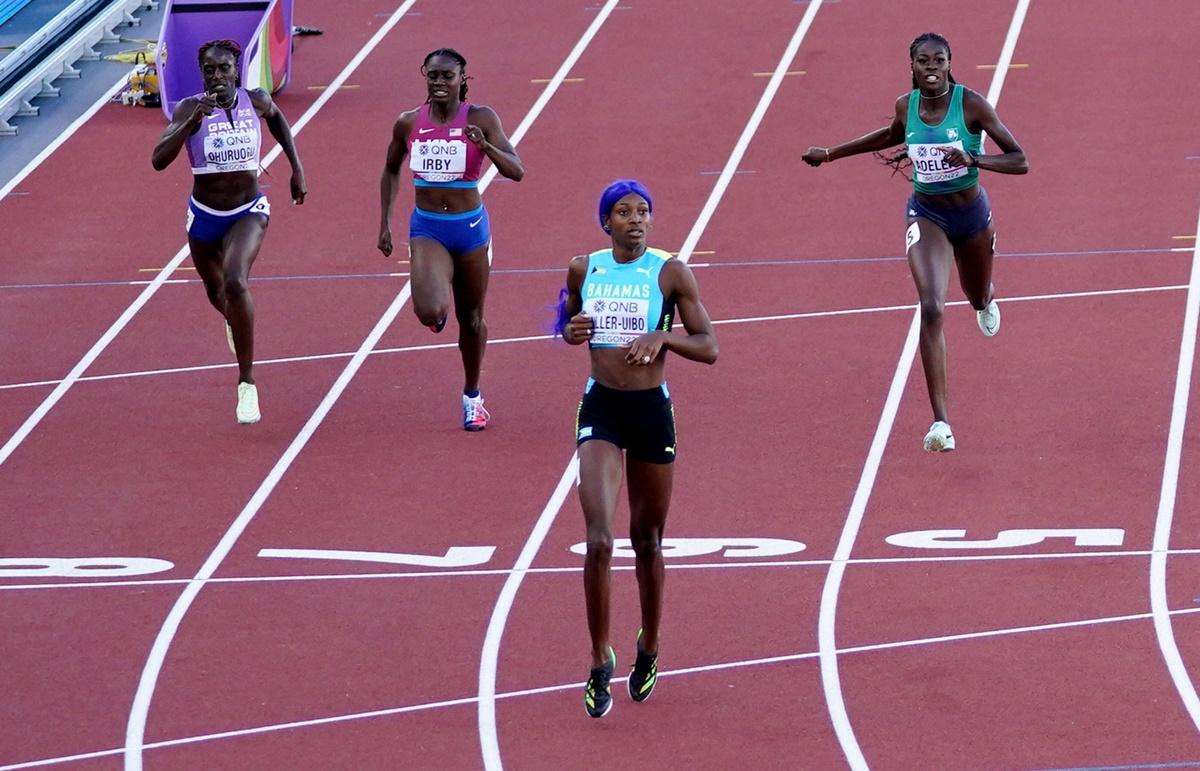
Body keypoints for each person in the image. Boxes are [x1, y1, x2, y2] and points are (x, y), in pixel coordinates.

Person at [802, 32, 1028, 452]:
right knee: (931, 306)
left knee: (976, 293)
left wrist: (975, 159)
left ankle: (985, 298)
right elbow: (890, 135)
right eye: (922, 61)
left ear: (948, 63)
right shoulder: (906, 107)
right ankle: (941, 421)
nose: (930, 68)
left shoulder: (972, 104)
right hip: (927, 215)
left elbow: (1020, 160)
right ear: (912, 66)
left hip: (972, 215)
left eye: (938, 60)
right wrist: (831, 153)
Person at [558, 180, 718, 718]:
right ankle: (599, 659)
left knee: (647, 540)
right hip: (601, 408)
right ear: (606, 222)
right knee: (599, 540)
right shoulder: (585, 267)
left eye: (643, 212)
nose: (636, 220)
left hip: (651, 412)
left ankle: (648, 646)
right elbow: (567, 319)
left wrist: (664, 338)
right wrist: (571, 328)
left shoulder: (671, 271)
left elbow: (710, 346)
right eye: (623, 212)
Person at [151, 39, 306, 424]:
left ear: (236, 69)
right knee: (218, 292)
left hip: (248, 211)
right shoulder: (189, 108)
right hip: (204, 215)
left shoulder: (255, 100)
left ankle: (247, 384)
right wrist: (190, 123)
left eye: (223, 69)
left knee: (236, 280)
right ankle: (233, 318)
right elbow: (158, 160)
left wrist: (296, 167)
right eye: (209, 70)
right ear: (201, 73)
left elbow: (277, 119)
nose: (217, 76)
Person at [377, 48, 524, 431]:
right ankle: (435, 308)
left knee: (471, 318)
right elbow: (391, 169)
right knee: (430, 312)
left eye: (448, 76)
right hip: (427, 227)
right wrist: (385, 223)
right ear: (425, 77)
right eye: (434, 76)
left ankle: (473, 397)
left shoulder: (481, 118)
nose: (440, 83)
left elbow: (517, 170)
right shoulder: (409, 123)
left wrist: (486, 145)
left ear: (463, 79)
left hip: (470, 229)